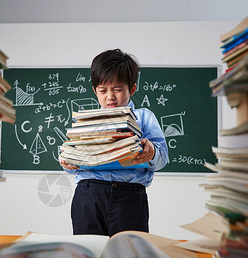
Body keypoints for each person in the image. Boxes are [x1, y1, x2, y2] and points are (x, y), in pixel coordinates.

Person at [60, 49, 169, 236]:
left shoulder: (144, 117)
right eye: (103, 90)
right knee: (89, 254)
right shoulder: (85, 121)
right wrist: (67, 162)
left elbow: (162, 158)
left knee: (129, 256)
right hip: (88, 194)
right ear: (95, 91)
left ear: (132, 89)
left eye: (117, 89)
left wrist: (151, 152)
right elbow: (72, 160)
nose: (110, 96)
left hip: (130, 197)